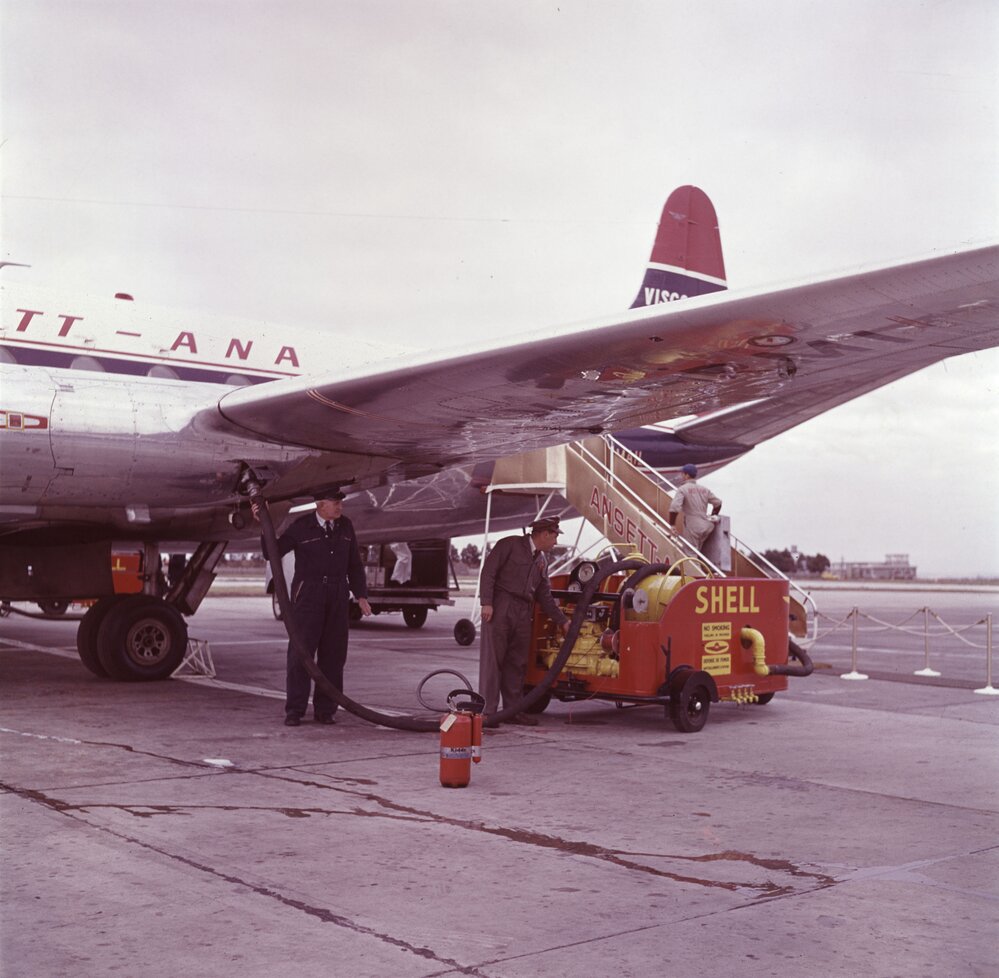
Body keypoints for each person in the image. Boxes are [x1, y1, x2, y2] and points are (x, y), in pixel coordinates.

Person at [271, 490, 372, 726]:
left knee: (334, 656)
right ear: (320, 504)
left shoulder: (345, 526)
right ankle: (294, 710)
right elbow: (271, 552)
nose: (340, 508)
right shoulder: (301, 526)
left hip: (337, 595)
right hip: (309, 596)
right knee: (301, 654)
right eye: (335, 503)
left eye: (340, 503)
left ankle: (326, 710)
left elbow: (354, 564)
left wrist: (361, 595)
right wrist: (264, 525)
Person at [478, 516, 570, 727]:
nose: (555, 542)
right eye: (555, 536)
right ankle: (488, 712)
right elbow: (489, 572)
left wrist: (562, 621)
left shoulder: (541, 561)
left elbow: (544, 595)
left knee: (517, 663)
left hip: (523, 611)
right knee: (493, 661)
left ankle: (512, 711)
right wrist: (487, 602)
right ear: (545, 534)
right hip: (501, 606)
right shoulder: (509, 545)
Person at [667, 463, 722, 551]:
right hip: (707, 526)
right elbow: (718, 503)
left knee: (690, 554)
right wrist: (712, 516)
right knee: (697, 552)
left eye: (682, 474)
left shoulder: (683, 489)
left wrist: (672, 525)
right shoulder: (704, 489)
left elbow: (674, 507)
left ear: (687, 475)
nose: (681, 476)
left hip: (693, 527)